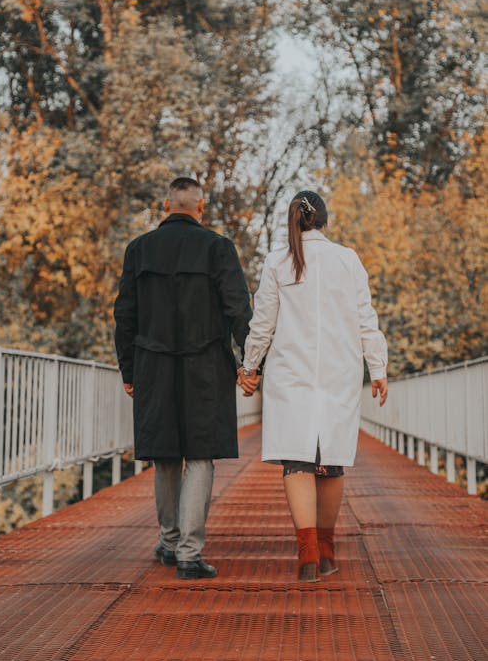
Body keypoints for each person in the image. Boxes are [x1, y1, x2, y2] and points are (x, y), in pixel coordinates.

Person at [237, 191, 388, 582]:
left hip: (292, 375)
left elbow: (263, 323)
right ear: (324, 219)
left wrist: (250, 366)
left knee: (297, 461)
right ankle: (326, 552)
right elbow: (365, 319)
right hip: (339, 373)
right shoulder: (347, 260)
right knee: (332, 462)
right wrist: (378, 368)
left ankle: (306, 556)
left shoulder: (277, 261)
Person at [114, 177, 252, 579]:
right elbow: (238, 310)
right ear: (200, 207)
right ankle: (190, 554)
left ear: (165, 205)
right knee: (201, 455)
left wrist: (128, 368)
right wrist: (251, 364)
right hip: (206, 364)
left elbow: (125, 314)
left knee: (166, 455)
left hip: (153, 365)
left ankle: (169, 542)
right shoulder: (218, 248)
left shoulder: (138, 250)